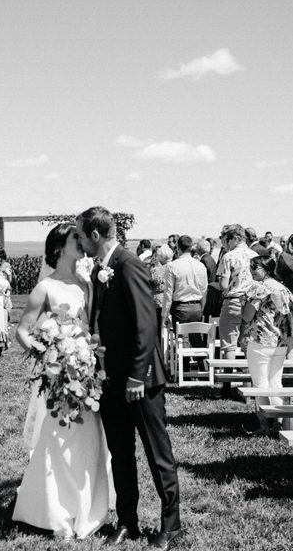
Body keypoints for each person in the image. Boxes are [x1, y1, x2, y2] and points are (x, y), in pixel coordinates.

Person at [77, 206, 181, 549]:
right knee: (120, 452)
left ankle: (172, 524)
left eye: (81, 235)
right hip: (111, 378)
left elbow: (146, 323)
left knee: (157, 453)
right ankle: (128, 521)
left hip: (141, 380)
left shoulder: (128, 264)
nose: (79, 242)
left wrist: (137, 376)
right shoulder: (101, 269)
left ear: (95, 235)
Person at [11, 223, 111, 539]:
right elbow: (23, 331)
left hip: (88, 373)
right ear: (59, 246)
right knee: (60, 437)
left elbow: (94, 327)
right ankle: (56, 511)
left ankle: (89, 507)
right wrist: (48, 354)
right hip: (59, 376)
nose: (82, 243)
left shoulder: (87, 285)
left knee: (90, 437)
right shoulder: (45, 288)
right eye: (75, 238)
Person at [242, 255, 293, 434]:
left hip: (260, 339)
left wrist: (244, 306)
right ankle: (279, 422)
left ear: (265, 268)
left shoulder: (260, 288)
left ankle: (264, 425)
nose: (251, 271)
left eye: (254, 267)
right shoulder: (283, 289)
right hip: (280, 340)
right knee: (275, 382)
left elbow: (247, 315)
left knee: (261, 383)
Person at [217, 224, 257, 359]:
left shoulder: (228, 256)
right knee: (247, 343)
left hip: (233, 301)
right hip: (251, 301)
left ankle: (228, 378)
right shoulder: (254, 255)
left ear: (234, 238)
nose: (224, 243)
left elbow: (223, 284)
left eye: (225, 239)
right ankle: (248, 378)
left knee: (229, 344)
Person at [162, 235, 207, 347]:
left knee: (182, 341)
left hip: (180, 308)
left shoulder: (172, 266)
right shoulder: (200, 265)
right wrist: (202, 307)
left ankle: (184, 365)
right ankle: (202, 363)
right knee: (196, 339)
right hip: (196, 307)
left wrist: (164, 314)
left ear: (178, 247)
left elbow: (168, 293)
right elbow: (204, 290)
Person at [149, 245, 173, 332]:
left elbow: (151, 284)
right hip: (169, 299)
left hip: (157, 300)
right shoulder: (172, 267)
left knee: (159, 326)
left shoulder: (154, 270)